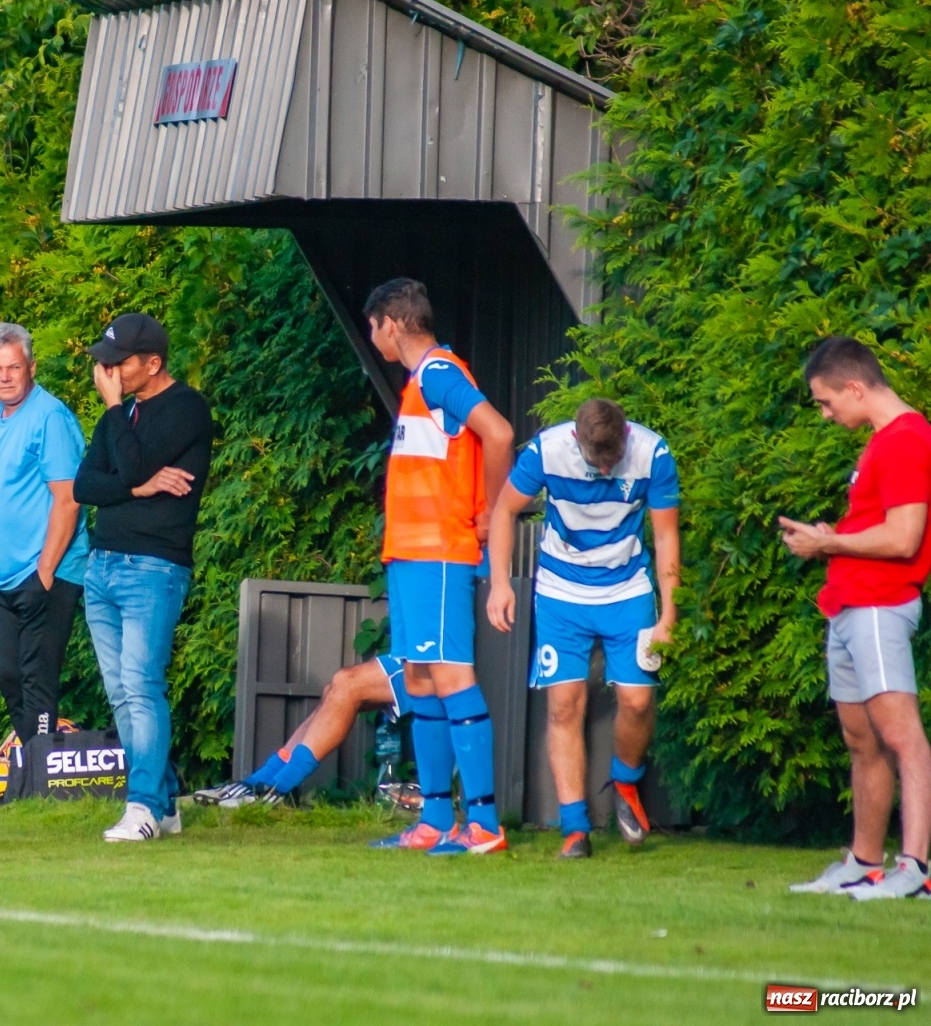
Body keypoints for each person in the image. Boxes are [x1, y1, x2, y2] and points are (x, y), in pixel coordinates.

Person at [485, 399, 680, 859]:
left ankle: (626, 783)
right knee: (564, 706)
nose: (608, 467)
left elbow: (667, 534)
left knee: (637, 700)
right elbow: (503, 511)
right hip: (560, 593)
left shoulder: (653, 453)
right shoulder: (545, 451)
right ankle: (575, 829)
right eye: (599, 461)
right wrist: (499, 583)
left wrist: (669, 613)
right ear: (577, 440)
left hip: (627, 590)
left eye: (614, 458)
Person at [363, 278, 515, 855]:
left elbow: (498, 432)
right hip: (411, 554)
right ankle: (433, 819)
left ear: (391, 324)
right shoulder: (419, 382)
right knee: (422, 677)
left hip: (440, 553)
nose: (373, 336)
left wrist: (494, 510)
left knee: (450, 677)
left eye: (374, 325)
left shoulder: (439, 373)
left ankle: (483, 824)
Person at [782, 336, 931, 900]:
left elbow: (903, 537)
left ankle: (914, 869)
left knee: (902, 737)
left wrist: (828, 545)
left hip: (879, 604)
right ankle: (865, 863)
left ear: (854, 387)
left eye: (825, 402)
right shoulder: (882, 442)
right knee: (861, 740)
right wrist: (830, 541)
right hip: (849, 603)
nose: (825, 414)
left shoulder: (907, 440)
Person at [73, 312, 214, 842]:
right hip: (103, 566)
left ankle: (143, 808)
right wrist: (138, 487)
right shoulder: (122, 417)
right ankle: (165, 800)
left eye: (118, 362)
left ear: (152, 364)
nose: (107, 370)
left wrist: (115, 419)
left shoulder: (187, 409)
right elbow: (87, 484)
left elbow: (125, 467)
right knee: (120, 693)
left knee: (141, 685)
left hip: (152, 568)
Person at [0, 322, 90, 743]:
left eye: (13, 366)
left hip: (46, 571)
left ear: (31, 366)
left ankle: (38, 782)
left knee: (36, 679)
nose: (4, 376)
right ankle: (30, 767)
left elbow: (68, 498)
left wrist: (44, 572)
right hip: (2, 577)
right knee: (9, 677)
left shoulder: (50, 416)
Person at [193, 655, 407, 807]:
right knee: (334, 689)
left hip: (432, 655)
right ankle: (260, 783)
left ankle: (275, 791)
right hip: (411, 647)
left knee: (347, 683)